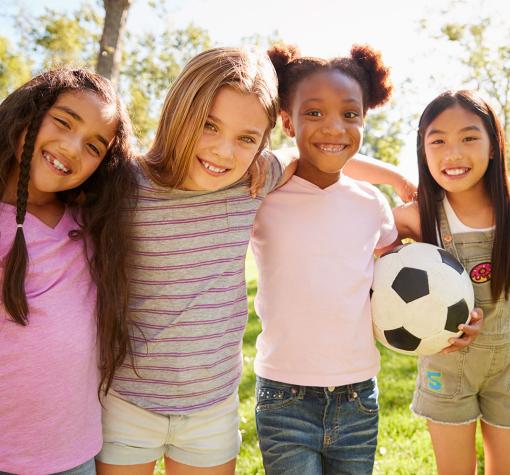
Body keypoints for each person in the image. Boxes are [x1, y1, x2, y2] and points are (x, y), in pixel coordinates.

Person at [95, 46, 415, 475]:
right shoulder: (127, 185)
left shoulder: (251, 179)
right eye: (209, 125)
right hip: (128, 402)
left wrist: (394, 177)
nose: (224, 152)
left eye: (247, 138)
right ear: (179, 107)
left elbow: (314, 154)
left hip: (211, 409)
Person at [250, 45, 482, 475]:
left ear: (363, 118)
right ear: (287, 121)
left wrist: (452, 319)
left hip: (358, 395)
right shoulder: (264, 199)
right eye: (314, 113)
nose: (334, 127)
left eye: (350, 114)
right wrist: (393, 174)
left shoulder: (370, 204)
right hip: (284, 395)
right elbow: (280, 161)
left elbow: (399, 275)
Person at [0, 69, 135, 475]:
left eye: (94, 147)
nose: (73, 149)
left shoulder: (93, 224)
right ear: (27, 113)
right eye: (63, 122)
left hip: (74, 458)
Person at [390, 90, 509, 475]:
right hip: (447, 370)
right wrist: (391, 177)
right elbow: (356, 221)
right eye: (437, 140)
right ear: (423, 151)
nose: (452, 153)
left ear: (493, 146)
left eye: (469, 137)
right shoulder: (418, 217)